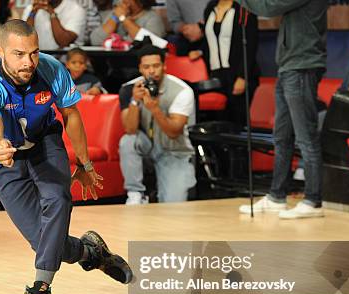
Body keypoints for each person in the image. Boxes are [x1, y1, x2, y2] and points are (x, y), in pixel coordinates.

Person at [0, 20, 133, 294]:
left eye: (33, 52)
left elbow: (71, 114)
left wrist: (84, 165)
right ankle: (90, 252)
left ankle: (39, 291)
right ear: (0, 50)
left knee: (58, 198)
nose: (28, 62)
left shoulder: (52, 68)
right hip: (3, 158)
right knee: (42, 239)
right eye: (18, 54)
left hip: (45, 143)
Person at [237, 0, 328, 219]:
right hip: (289, 66)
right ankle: (277, 195)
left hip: (302, 66)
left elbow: (268, 8)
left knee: (306, 137)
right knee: (282, 137)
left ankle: (313, 200)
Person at [118, 44, 196, 205]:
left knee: (174, 207)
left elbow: (174, 132)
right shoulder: (129, 89)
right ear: (140, 68)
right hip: (146, 147)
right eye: (146, 67)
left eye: (156, 66)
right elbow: (130, 129)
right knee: (127, 141)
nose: (151, 71)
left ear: (164, 66)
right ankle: (135, 194)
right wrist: (134, 101)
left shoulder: (182, 91)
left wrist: (155, 110)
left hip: (173, 151)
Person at [190, 0, 258, 127]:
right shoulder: (210, 8)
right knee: (219, 122)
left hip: (238, 73)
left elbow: (250, 45)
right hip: (216, 74)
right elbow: (210, 39)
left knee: (238, 120)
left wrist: (243, 76)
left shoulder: (244, 8)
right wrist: (200, 51)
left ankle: (239, 147)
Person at [89, 0, 165, 47]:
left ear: (140, 2)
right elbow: (96, 41)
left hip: (140, 65)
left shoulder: (152, 17)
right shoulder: (117, 13)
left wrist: (123, 18)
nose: (123, 1)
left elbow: (149, 43)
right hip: (115, 65)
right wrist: (115, 17)